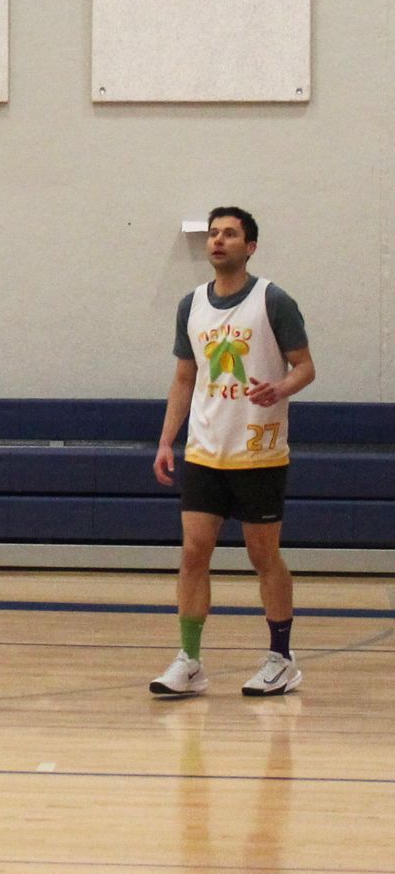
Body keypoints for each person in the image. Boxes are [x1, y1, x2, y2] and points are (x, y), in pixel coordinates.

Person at [151, 205, 314, 698]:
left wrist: (281, 388)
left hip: (258, 452)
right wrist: (165, 439)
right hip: (205, 451)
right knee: (193, 553)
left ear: (250, 246)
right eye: (214, 234)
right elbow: (185, 377)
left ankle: (281, 658)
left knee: (263, 556)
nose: (218, 241)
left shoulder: (273, 300)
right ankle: (190, 660)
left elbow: (305, 366)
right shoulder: (191, 305)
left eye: (229, 234)